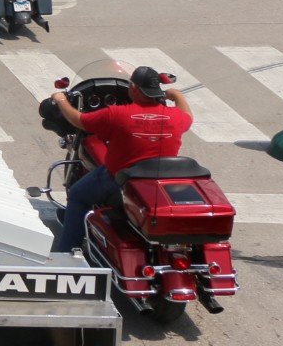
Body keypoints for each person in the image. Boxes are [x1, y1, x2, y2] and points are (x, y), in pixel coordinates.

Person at [48, 66, 194, 254]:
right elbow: (188, 116)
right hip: (159, 182)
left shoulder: (118, 114)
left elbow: (79, 120)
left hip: (120, 180)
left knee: (77, 194)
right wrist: (178, 96)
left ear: (133, 88)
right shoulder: (176, 117)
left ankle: (66, 253)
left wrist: (61, 99)